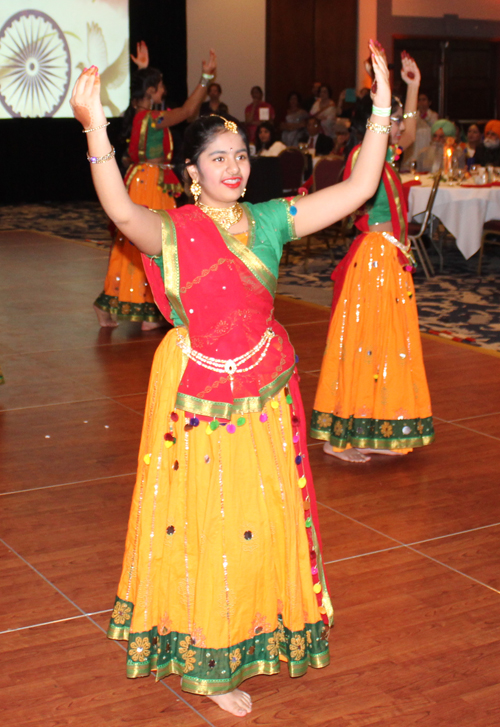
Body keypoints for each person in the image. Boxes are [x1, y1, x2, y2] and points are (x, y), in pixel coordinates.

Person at [70, 40, 391, 716]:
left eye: (241, 154)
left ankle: (254, 629)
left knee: (260, 517)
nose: (236, 165)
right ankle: (209, 662)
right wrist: (96, 130)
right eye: (219, 156)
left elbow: (361, 188)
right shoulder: (178, 229)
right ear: (191, 172)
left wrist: (386, 104)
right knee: (207, 522)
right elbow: (123, 216)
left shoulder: (273, 221)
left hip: (265, 393)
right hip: (198, 395)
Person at [311, 51, 434, 463]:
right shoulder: (365, 155)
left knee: (384, 346)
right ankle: (342, 435)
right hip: (375, 260)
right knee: (364, 345)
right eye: (393, 119)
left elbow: (413, 134)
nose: (400, 127)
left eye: (398, 119)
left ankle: (373, 426)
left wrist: (412, 85)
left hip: (389, 259)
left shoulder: (383, 152)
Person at [93, 56, 216, 329]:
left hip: (148, 180)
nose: (164, 91)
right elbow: (186, 111)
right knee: (151, 242)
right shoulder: (151, 118)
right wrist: (206, 77)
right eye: (159, 86)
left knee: (146, 243)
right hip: (148, 184)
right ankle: (140, 307)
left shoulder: (142, 115)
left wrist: (142, 71)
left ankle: (146, 307)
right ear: (150, 90)